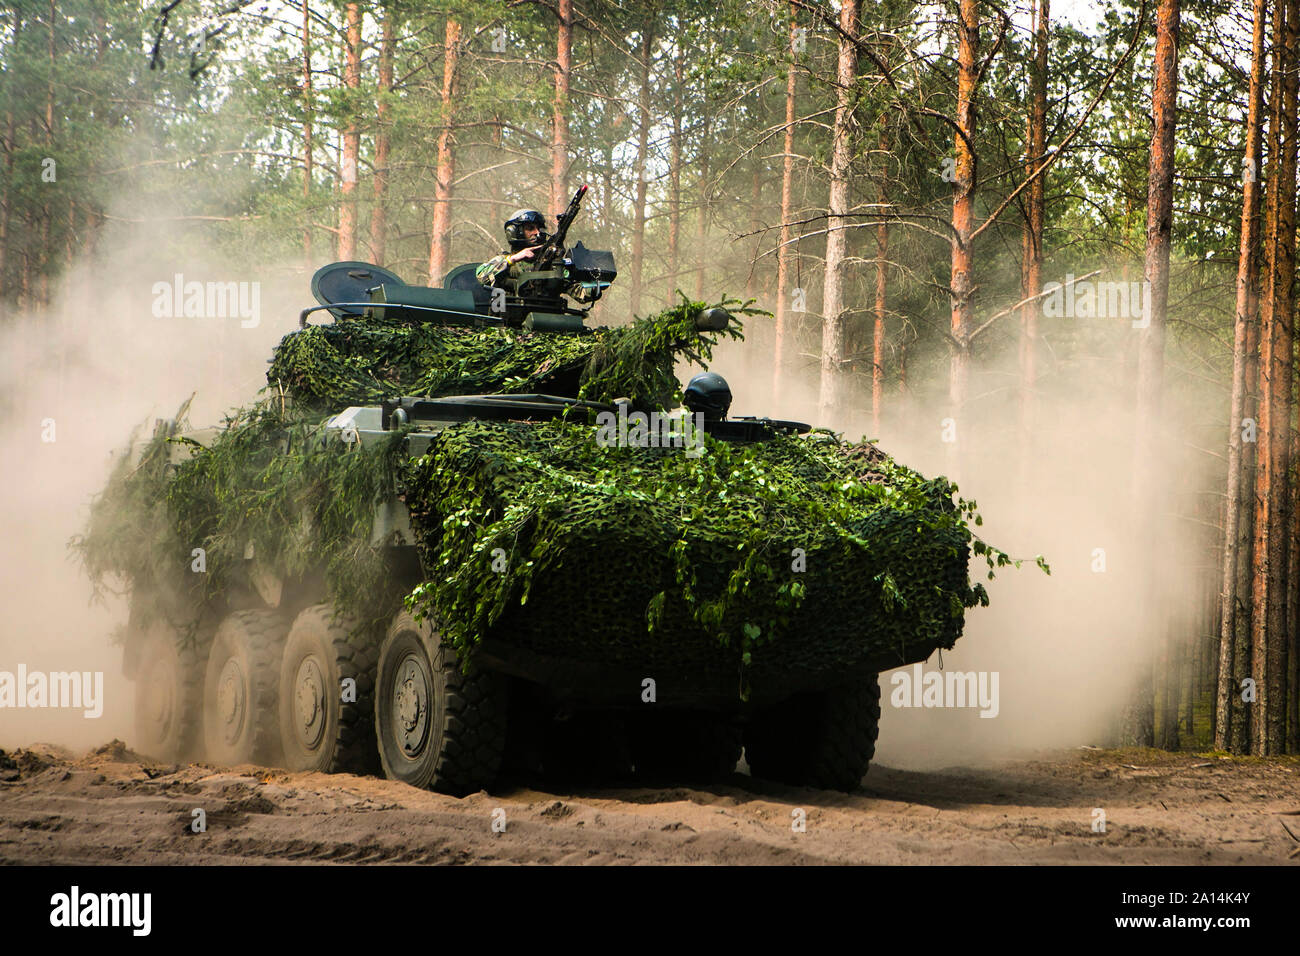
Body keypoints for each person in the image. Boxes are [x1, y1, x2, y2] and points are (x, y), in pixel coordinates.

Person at [475, 208, 599, 303]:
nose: (537, 233)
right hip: (510, 326)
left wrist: (595, 287)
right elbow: (482, 277)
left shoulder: (551, 265)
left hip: (548, 324)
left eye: (538, 229)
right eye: (530, 228)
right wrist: (513, 259)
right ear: (514, 232)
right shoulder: (504, 261)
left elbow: (578, 292)